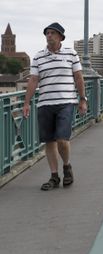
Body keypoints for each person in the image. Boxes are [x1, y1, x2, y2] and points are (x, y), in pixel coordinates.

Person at [23, 22, 88, 191]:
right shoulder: (38, 56)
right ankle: (54, 176)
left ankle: (67, 167)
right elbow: (33, 80)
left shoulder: (71, 54)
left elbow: (79, 77)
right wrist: (26, 103)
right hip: (45, 103)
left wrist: (82, 99)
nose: (49, 35)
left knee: (62, 139)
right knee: (49, 141)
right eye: (47, 33)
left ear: (60, 36)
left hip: (66, 102)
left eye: (52, 33)